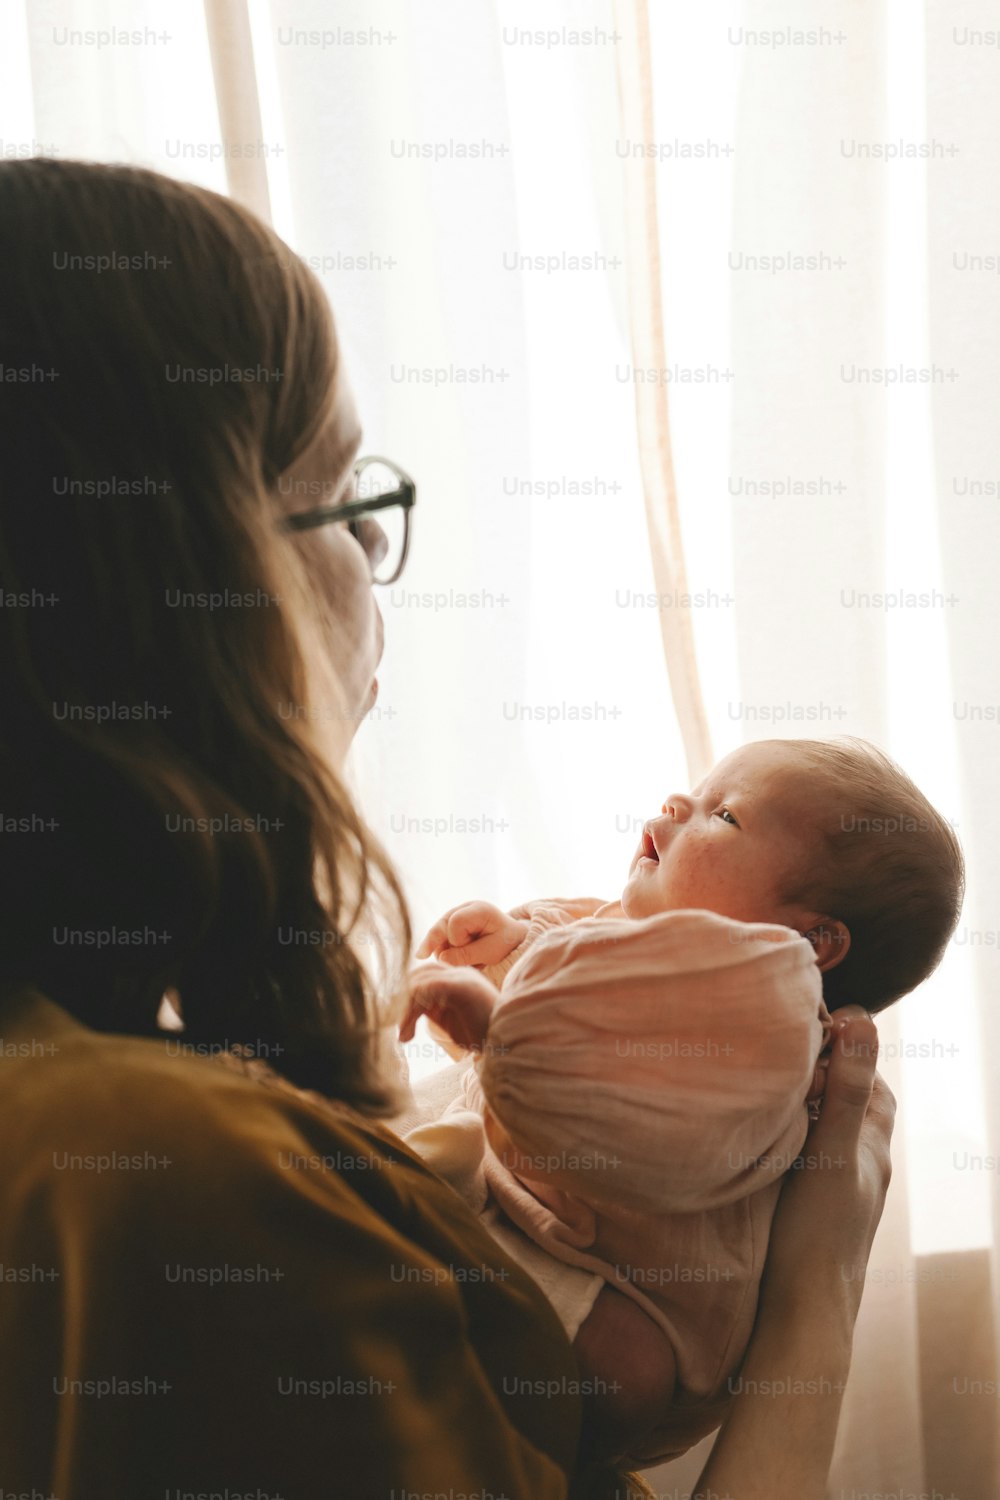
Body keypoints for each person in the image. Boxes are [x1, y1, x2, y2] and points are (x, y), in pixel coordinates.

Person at [0, 156, 894, 1499]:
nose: (375, 562)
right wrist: (820, 1281)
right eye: (349, 498)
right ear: (189, 577)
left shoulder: (109, 1099)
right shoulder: (170, 1177)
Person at [398, 738, 962, 1461]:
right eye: (692, 794)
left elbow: (650, 1117)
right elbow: (574, 961)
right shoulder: (646, 942)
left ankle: (423, 1195)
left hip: (624, 1300)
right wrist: (510, 947)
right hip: (532, 1221)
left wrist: (494, 1026)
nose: (675, 806)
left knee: (622, 1371)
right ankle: (426, 1189)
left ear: (810, 944)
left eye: (723, 816)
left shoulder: (771, 1019)